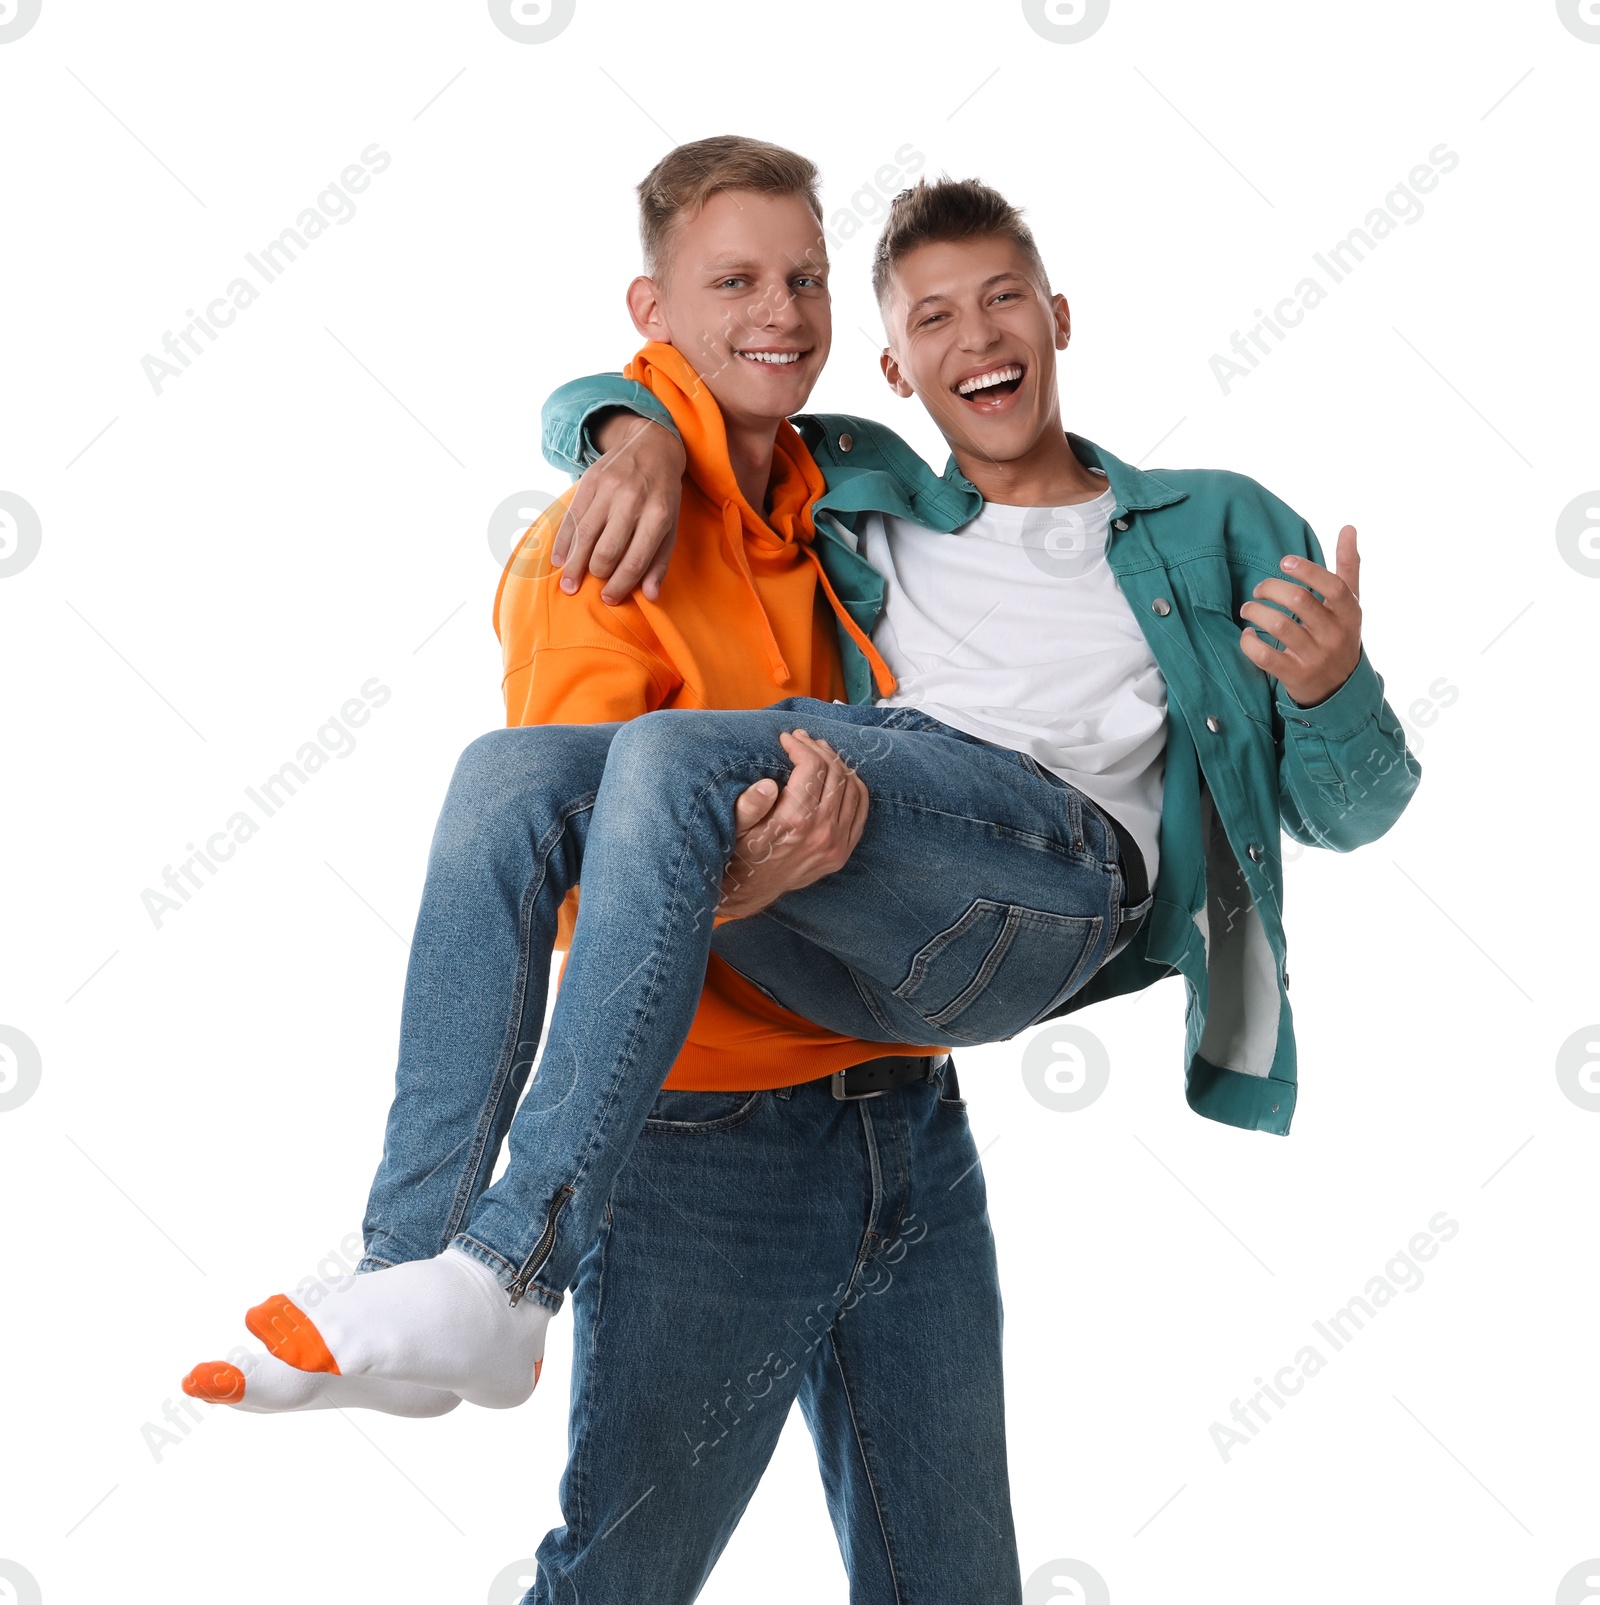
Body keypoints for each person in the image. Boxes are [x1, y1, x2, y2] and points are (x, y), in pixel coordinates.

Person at [185, 137, 1026, 1605]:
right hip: (711, 1154)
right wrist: (755, 874)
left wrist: (613, 413)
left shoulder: (848, 497)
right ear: (654, 307)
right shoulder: (602, 552)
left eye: (806, 278)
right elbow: (571, 885)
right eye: (736, 282)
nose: (784, 309)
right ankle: (444, 1266)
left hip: (911, 1126)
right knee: (619, 1584)